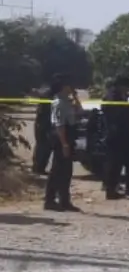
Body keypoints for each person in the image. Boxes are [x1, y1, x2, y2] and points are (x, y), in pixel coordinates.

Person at [42, 75, 79, 212]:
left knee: (67, 170)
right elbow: (59, 125)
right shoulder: (58, 103)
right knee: (57, 169)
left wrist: (75, 97)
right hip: (61, 137)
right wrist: (64, 144)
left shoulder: (67, 101)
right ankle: (50, 200)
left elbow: (79, 110)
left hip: (69, 135)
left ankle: (64, 200)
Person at [102, 74, 129, 199]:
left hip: (125, 133)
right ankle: (111, 189)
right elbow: (112, 113)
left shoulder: (122, 96)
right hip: (116, 134)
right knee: (114, 164)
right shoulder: (112, 96)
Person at [31, 83, 54, 176]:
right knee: (42, 146)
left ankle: (40, 168)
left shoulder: (51, 95)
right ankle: (37, 167)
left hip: (46, 124)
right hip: (42, 124)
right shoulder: (48, 95)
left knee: (46, 147)